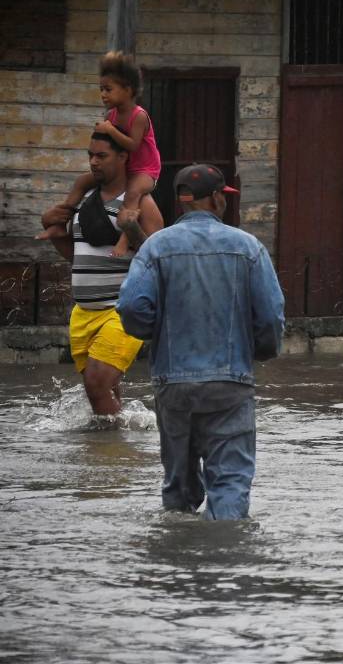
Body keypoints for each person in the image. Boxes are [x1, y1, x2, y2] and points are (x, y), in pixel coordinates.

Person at [118, 163, 284, 520]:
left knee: (179, 488)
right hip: (230, 383)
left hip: (172, 384)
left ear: (181, 202)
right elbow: (270, 317)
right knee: (229, 483)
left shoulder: (155, 248)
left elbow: (131, 307)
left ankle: (178, 564)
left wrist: (158, 333)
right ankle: (223, 561)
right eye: (222, 197)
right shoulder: (248, 247)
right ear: (214, 199)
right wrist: (261, 351)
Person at [39, 133, 164, 416]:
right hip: (83, 312)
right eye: (90, 155)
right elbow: (79, 256)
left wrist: (132, 230)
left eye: (101, 156)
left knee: (96, 385)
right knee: (102, 389)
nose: (93, 162)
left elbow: (159, 258)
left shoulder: (141, 203)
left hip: (120, 310)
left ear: (123, 158)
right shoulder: (85, 199)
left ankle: (106, 449)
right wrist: (56, 235)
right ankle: (116, 449)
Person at [39, 51, 162, 257]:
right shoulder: (111, 115)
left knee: (132, 195)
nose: (103, 94)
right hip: (126, 167)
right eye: (101, 89)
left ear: (127, 90)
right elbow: (108, 143)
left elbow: (132, 145)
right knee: (81, 181)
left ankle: (124, 240)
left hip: (145, 170)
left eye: (108, 89)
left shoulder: (138, 116)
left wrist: (110, 130)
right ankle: (60, 221)